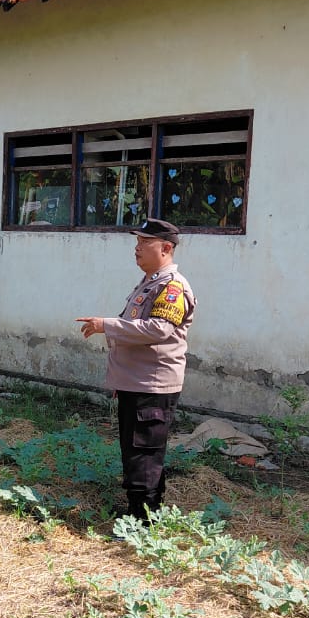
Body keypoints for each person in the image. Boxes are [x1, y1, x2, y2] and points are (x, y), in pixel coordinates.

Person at [76, 218, 195, 522]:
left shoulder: (171, 286)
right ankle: (139, 512)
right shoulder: (149, 283)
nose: (137, 248)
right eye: (137, 242)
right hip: (137, 383)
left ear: (165, 248)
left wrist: (106, 325)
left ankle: (143, 521)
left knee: (144, 454)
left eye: (145, 242)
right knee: (135, 452)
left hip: (152, 387)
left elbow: (158, 329)